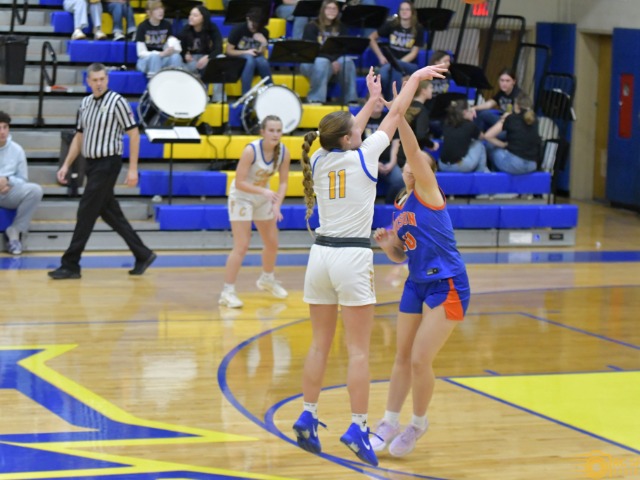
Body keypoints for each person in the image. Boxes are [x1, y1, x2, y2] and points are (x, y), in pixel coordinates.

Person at [291, 62, 448, 467]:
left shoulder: (319, 159)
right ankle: (358, 427)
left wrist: (370, 101)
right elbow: (397, 115)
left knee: (319, 344)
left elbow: (348, 130)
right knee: (358, 352)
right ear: (349, 139)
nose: (360, 131)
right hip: (351, 257)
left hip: (319, 256)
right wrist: (415, 79)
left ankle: (307, 415)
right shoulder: (364, 157)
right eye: (355, 130)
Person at [370, 111, 470, 458]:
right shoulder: (401, 203)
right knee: (401, 356)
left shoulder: (429, 191)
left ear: (429, 172)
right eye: (408, 166)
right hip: (415, 283)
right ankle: (388, 422)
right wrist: (388, 246)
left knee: (419, 359)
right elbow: (401, 254)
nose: (411, 168)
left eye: (419, 165)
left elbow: (413, 152)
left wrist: (398, 115)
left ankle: (417, 423)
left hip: (447, 283)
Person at [48, 63, 157, 280]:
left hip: (108, 163)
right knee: (110, 213)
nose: (99, 83)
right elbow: (79, 137)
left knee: (86, 211)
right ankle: (143, 254)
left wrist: (133, 169)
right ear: (88, 81)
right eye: (95, 80)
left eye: (102, 79)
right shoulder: (85, 103)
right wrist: (66, 165)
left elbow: (134, 135)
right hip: (90, 164)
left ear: (107, 80)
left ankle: (70, 264)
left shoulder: (117, 101)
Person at [219, 115, 291, 309]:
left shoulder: (283, 152)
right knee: (242, 246)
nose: (275, 134)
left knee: (272, 242)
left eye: (279, 130)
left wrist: (277, 204)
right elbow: (239, 182)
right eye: (271, 130)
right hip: (242, 197)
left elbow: (284, 182)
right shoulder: (251, 150)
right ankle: (227, 292)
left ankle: (267, 278)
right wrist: (264, 192)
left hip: (262, 196)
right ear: (262, 132)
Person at [0, 111, 44, 255]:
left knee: (35, 190)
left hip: (8, 193)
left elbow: (23, 179)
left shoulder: (17, 150)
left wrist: (9, 181)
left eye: (5, 127)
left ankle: (14, 232)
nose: (2, 132)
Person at [300, 0, 358, 105]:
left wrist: (334, 60)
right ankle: (315, 98)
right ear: (323, 10)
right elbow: (311, 50)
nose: (332, 11)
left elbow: (343, 48)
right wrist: (331, 60)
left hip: (333, 62)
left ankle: (350, 99)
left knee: (347, 61)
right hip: (311, 62)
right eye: (329, 8)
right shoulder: (311, 26)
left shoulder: (341, 27)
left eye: (334, 9)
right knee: (322, 61)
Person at [368, 1, 424, 101]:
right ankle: (391, 101)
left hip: (409, 65)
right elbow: (371, 38)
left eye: (407, 9)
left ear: (412, 12)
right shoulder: (392, 25)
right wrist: (380, 56)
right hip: (390, 64)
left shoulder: (418, 29)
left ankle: (392, 100)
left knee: (394, 69)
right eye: (402, 9)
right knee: (385, 75)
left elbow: (414, 53)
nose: (404, 11)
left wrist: (397, 63)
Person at [485, 93, 541, 174]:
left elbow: (488, 136)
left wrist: (503, 145)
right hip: (532, 165)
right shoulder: (535, 119)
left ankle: (495, 177)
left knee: (490, 146)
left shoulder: (511, 118)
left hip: (514, 165)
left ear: (517, 105)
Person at [178, 5, 224, 101]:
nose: (191, 17)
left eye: (195, 15)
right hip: (192, 61)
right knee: (176, 59)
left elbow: (219, 48)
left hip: (208, 59)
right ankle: (184, 97)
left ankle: (218, 98)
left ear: (203, 18)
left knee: (221, 58)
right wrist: (185, 54)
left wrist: (208, 57)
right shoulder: (186, 29)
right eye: (190, 14)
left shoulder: (212, 28)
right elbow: (180, 48)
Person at [226, 7, 273, 96]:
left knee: (262, 61)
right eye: (253, 24)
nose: (254, 27)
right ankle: (246, 95)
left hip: (255, 62)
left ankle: (271, 89)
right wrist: (246, 52)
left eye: (257, 25)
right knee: (249, 59)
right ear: (248, 19)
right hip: (237, 62)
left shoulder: (264, 31)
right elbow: (229, 51)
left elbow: (261, 52)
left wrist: (264, 43)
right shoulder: (238, 29)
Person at [364, 98, 403, 204]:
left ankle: (388, 205)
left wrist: (392, 162)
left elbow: (396, 143)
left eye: (381, 101)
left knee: (399, 180)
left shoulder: (388, 119)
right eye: (376, 101)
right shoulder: (363, 120)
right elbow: (358, 147)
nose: (378, 104)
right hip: (367, 162)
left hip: (387, 161)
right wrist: (374, 162)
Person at [135, 0, 183, 79]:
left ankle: (175, 81)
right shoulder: (142, 27)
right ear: (148, 12)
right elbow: (141, 53)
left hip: (162, 59)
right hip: (146, 61)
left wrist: (171, 49)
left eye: (161, 8)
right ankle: (153, 83)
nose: (161, 11)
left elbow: (169, 43)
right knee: (155, 57)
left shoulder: (166, 25)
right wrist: (160, 54)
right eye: (156, 9)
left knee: (176, 56)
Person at [438, 100, 489, 172]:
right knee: (479, 145)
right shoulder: (470, 125)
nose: (473, 114)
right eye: (471, 111)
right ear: (465, 112)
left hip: (442, 165)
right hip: (460, 166)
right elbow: (483, 137)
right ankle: (481, 174)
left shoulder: (447, 123)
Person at [397, 80, 436, 169]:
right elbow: (420, 135)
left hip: (401, 152)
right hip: (411, 155)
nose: (432, 90)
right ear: (423, 91)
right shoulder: (422, 111)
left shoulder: (407, 107)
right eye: (430, 88)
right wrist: (432, 145)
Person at [471, 68, 521, 132]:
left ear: (514, 82)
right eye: (502, 80)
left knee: (485, 114)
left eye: (507, 81)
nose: (504, 83)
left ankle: (478, 135)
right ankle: (477, 133)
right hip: (502, 118)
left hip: (510, 123)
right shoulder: (501, 92)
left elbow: (517, 113)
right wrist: (474, 108)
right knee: (477, 112)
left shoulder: (518, 94)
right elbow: (489, 104)